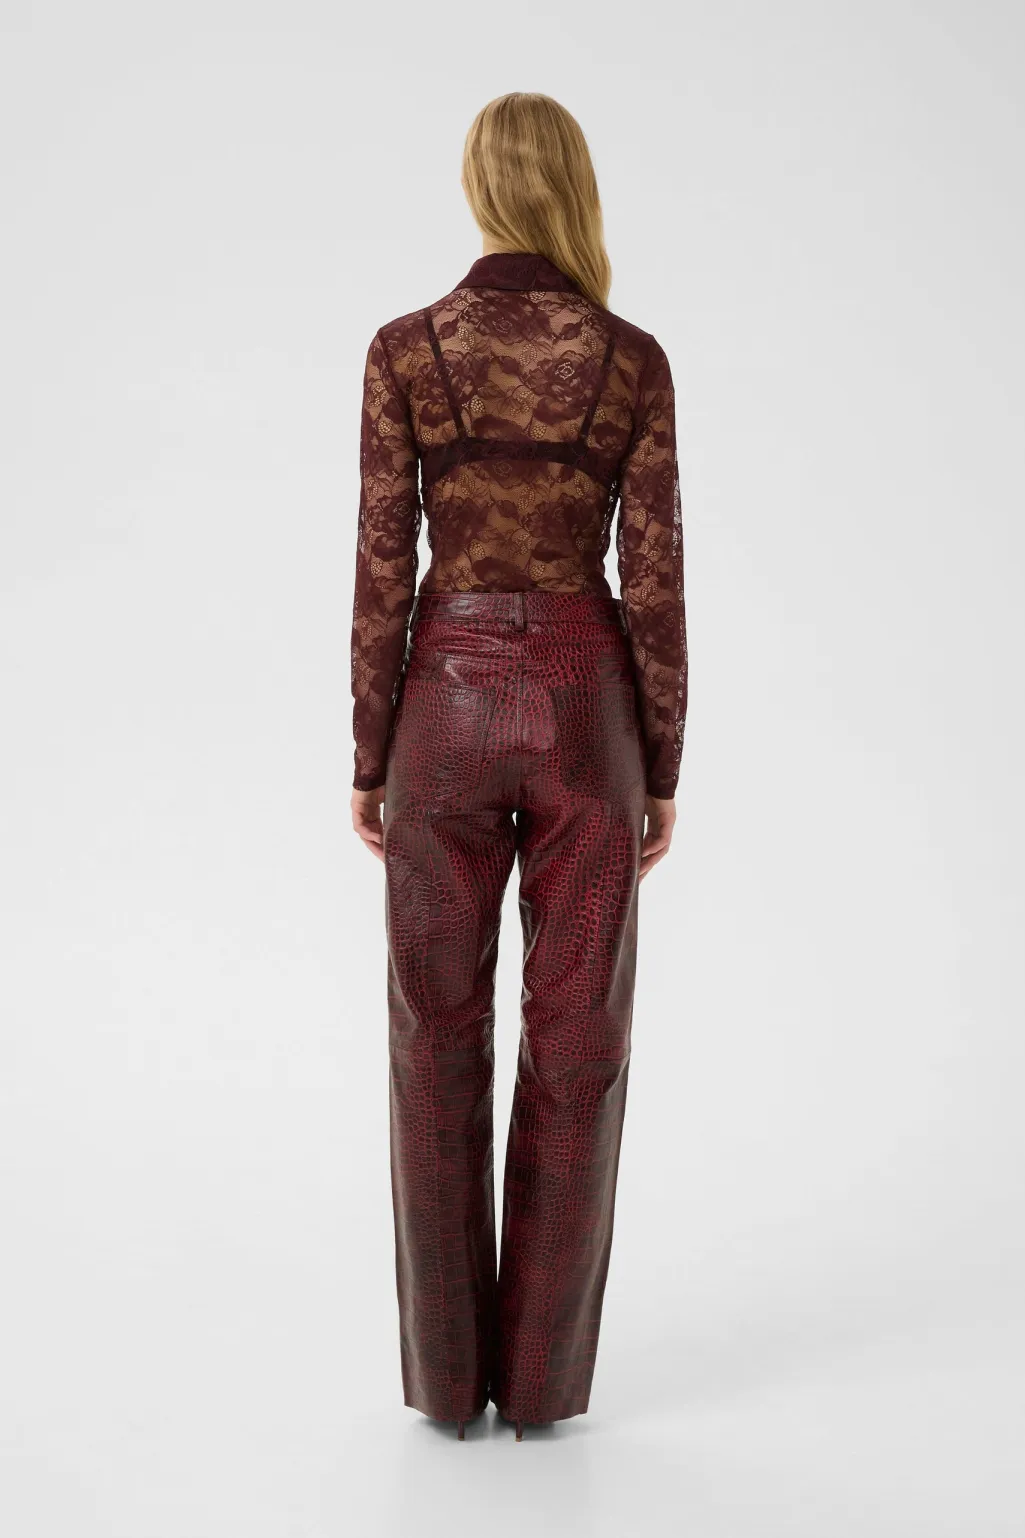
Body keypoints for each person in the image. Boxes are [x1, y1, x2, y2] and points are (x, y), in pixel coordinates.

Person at [349, 92, 687, 1441]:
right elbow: (654, 581)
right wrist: (662, 758)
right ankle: (542, 1384)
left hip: (440, 711)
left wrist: (368, 748)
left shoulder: (405, 351)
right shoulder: (631, 360)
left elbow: (384, 564)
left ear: (480, 187)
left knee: (431, 1034)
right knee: (579, 1042)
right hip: (584, 713)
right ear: (573, 189)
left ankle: (447, 1383)